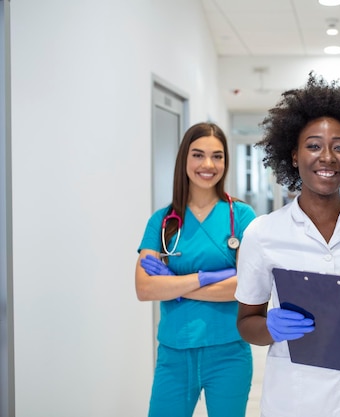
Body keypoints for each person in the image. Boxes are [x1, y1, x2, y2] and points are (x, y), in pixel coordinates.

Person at [235, 73, 340, 417]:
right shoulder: (262, 232)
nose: (327, 157)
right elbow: (246, 322)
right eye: (313, 145)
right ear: (295, 156)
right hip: (294, 398)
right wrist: (269, 327)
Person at [135, 122, 256, 417]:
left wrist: (175, 285)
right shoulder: (162, 220)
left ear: (226, 162)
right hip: (174, 353)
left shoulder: (241, 216)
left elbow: (246, 287)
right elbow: (144, 288)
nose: (208, 164)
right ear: (184, 160)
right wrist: (210, 277)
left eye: (217, 156)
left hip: (228, 352)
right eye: (198, 155)